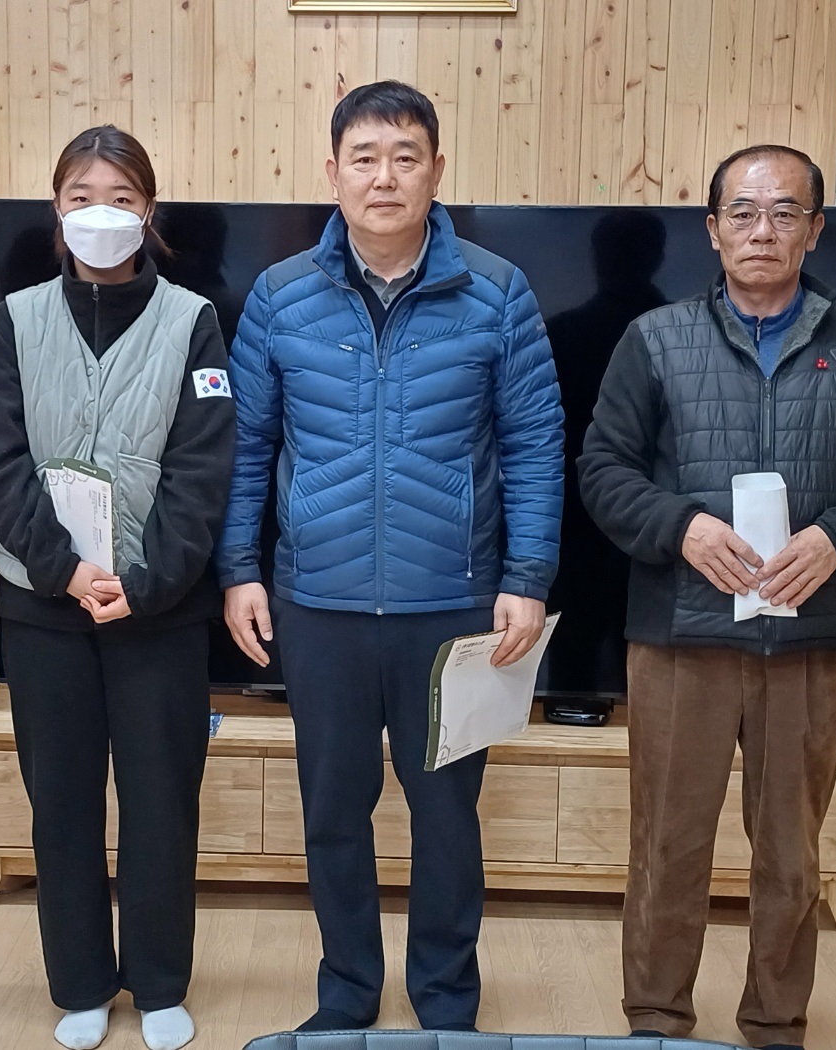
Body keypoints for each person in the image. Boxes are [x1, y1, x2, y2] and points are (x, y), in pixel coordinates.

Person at [217, 80, 564, 1033]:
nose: (384, 178)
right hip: (318, 604)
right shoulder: (281, 296)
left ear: (436, 170)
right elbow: (246, 445)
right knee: (333, 813)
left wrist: (526, 579)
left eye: (405, 157)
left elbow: (536, 444)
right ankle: (346, 997)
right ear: (332, 173)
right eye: (364, 158)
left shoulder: (497, 291)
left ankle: (447, 1003)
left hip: (452, 607)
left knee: (447, 817)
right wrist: (239, 569)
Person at [578, 144, 836, 1050]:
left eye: (785, 212)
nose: (762, 230)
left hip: (807, 640)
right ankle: (657, 1022)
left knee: (791, 856)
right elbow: (603, 469)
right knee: (668, 848)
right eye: (742, 212)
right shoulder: (655, 339)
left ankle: (776, 1025)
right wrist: (682, 527)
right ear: (712, 230)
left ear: (814, 230)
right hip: (680, 638)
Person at [0, 125, 235, 1050]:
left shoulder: (193, 320)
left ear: (148, 211)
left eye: (121, 198)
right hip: (42, 605)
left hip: (159, 608)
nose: (101, 214)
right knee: (63, 803)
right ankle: (82, 983)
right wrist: (66, 569)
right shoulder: (14, 320)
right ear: (57, 209)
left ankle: (159, 984)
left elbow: (204, 467)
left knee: (163, 803)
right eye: (82, 196)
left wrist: (145, 580)